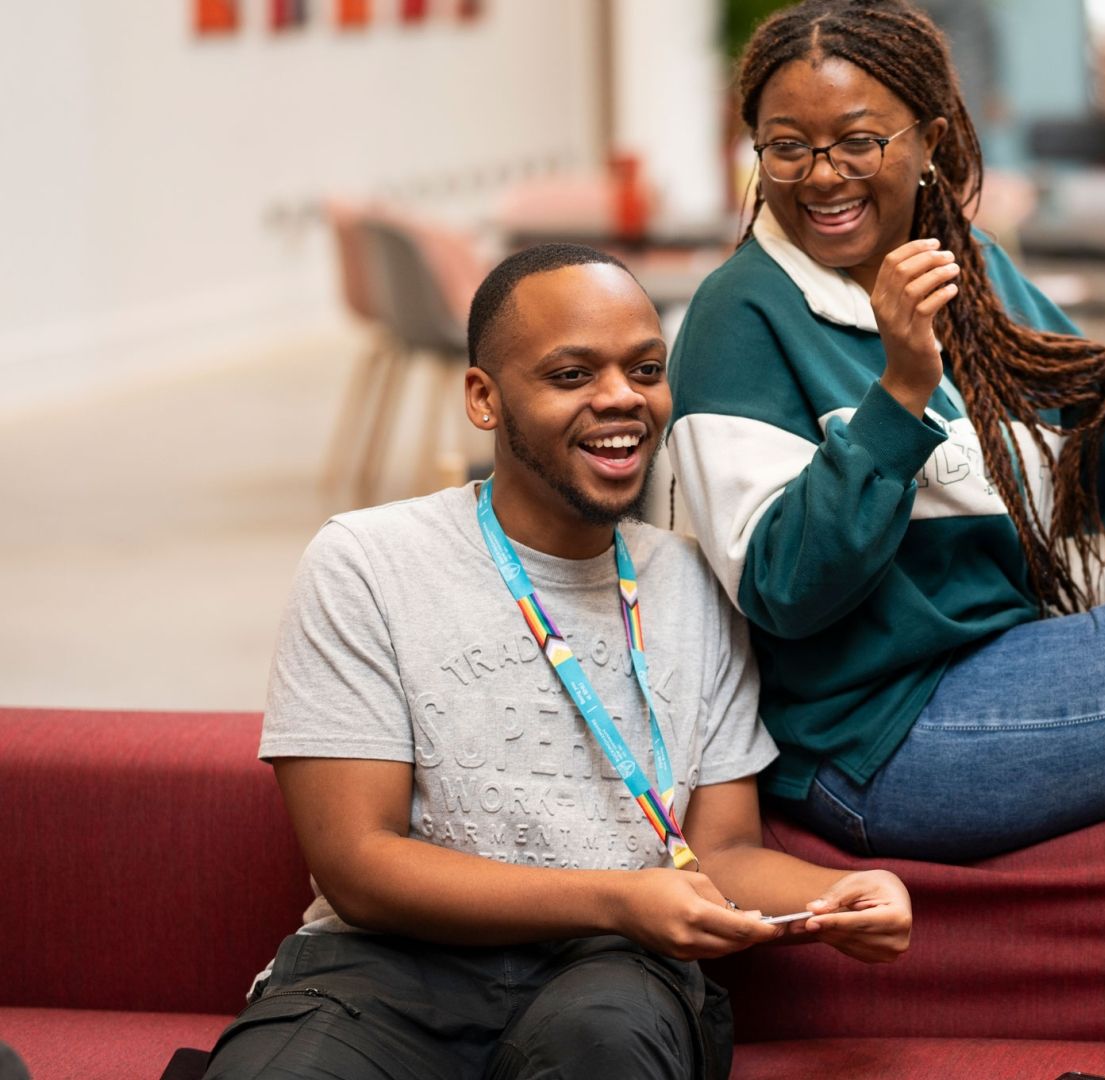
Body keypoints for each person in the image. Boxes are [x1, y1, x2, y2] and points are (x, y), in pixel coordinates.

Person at [666, 0, 1105, 862]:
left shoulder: (972, 273)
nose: (823, 175)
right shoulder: (739, 314)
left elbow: (1089, 489)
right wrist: (899, 396)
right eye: (788, 147)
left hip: (1009, 662)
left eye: (859, 141)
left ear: (929, 141)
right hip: (874, 738)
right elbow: (785, 585)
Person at [204, 244, 911, 1080]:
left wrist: (844, 895)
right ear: (483, 398)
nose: (621, 397)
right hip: (382, 969)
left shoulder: (691, 584)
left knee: (603, 1048)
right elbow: (359, 865)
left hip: (613, 972)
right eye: (572, 375)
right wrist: (617, 895)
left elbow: (719, 857)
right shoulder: (368, 560)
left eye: (645, 368)